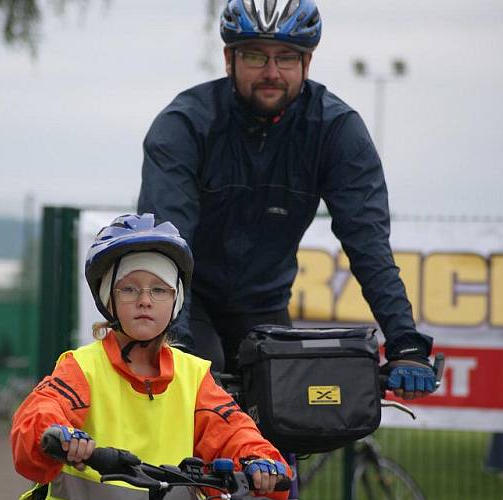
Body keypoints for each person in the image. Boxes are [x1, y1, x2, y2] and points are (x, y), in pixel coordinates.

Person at [138, 0, 436, 401]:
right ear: (229, 58)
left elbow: (369, 246)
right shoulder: (186, 124)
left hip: (264, 307)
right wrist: (175, 338)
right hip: (189, 301)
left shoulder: (336, 130)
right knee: (192, 397)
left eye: (287, 58)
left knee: (285, 424)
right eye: (257, 56)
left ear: (307, 63)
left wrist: (405, 342)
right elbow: (167, 242)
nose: (272, 72)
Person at [9, 213, 290, 500]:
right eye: (128, 289)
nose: (144, 300)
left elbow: (233, 433)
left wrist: (258, 460)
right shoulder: (83, 367)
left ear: (176, 299)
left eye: (159, 290)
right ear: (108, 299)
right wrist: (58, 434)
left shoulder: (194, 377)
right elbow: (41, 413)